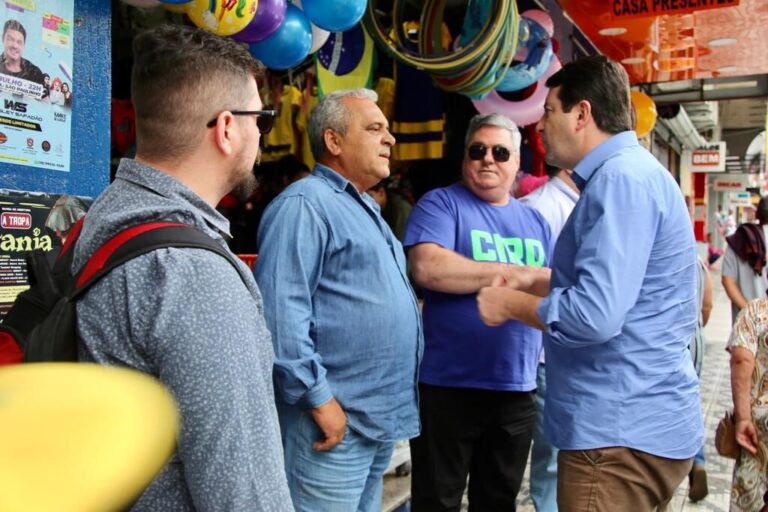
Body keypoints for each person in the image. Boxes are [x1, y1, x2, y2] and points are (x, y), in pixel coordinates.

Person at [73, 25, 291, 510]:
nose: (262, 134)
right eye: (262, 119)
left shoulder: (105, 217)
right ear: (227, 128)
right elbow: (245, 492)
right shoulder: (194, 276)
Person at [476, 55, 702, 511]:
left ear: (582, 114)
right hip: (636, 426)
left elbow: (595, 316)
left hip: (617, 437)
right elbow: (624, 289)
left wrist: (508, 304)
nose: (540, 125)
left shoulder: (620, 180)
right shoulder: (632, 173)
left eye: (549, 111)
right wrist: (536, 279)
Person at [254, 88, 422, 512]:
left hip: (371, 422)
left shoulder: (363, 207)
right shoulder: (304, 204)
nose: (390, 139)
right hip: (329, 422)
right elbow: (281, 315)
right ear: (333, 140)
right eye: (374, 128)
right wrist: (319, 399)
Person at [404, 113, 552, 511]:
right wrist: (514, 274)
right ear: (465, 156)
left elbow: (553, 286)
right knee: (436, 503)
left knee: (498, 502)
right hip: (447, 387)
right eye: (478, 150)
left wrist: (522, 279)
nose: (488, 158)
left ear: (517, 162)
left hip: (517, 389)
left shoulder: (536, 221)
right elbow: (428, 268)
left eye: (500, 152)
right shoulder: (441, 204)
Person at [518, 164, 579, 512]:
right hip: (545, 353)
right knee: (553, 459)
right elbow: (521, 280)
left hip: (571, 353)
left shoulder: (584, 203)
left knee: (565, 454)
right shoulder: (539, 207)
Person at [727, 298, 768, 511]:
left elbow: (741, 359)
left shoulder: (755, 312)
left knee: (753, 494)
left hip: (758, 430)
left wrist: (743, 418)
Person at [722, 196, 768, 323]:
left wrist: (750, 313)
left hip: (744, 326)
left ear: (757, 214)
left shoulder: (739, 239)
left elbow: (727, 280)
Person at [0, 19, 44, 87]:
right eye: (11, 39)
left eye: (19, 42)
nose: (15, 46)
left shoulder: (35, 73)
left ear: (24, 45)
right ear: (3, 39)